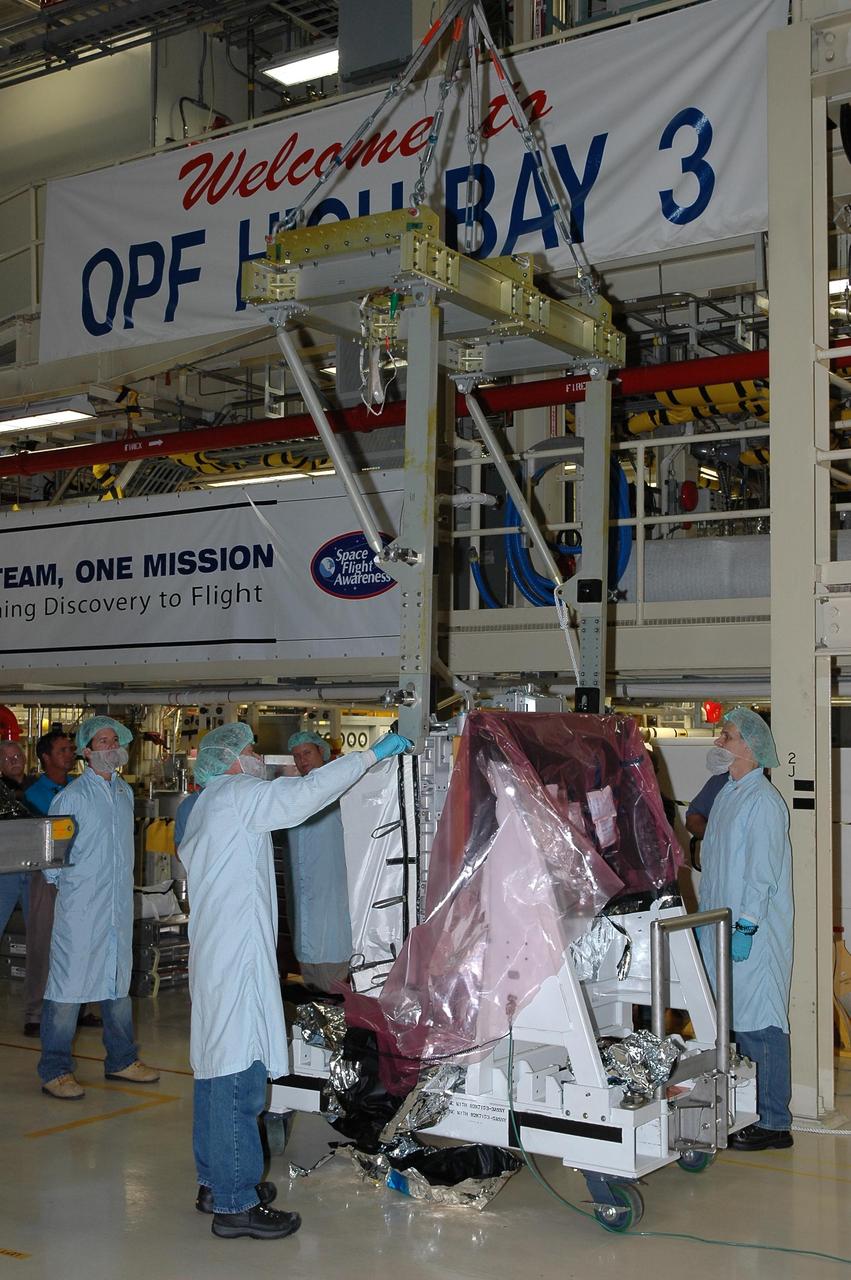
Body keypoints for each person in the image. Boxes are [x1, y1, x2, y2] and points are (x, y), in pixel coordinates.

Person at [179, 721, 411, 1241]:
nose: (257, 758)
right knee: (238, 1080)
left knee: (214, 1075)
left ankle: (216, 1184)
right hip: (235, 961)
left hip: (218, 956)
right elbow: (305, 796)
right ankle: (235, 1205)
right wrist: (370, 755)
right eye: (250, 750)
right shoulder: (237, 794)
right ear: (229, 760)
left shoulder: (207, 804)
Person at [37, 716, 159, 1100]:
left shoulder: (123, 793)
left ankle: (121, 1059)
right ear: (86, 752)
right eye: (102, 741)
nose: (110, 746)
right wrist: (76, 891)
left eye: (114, 740)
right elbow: (51, 856)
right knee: (68, 987)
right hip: (82, 908)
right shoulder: (71, 797)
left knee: (116, 983)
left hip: (116, 908)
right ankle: (55, 1070)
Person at [697, 706, 794, 1151]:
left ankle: (775, 1122)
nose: (719, 742)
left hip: (752, 933)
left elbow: (762, 874)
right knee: (732, 1022)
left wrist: (747, 927)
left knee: (761, 1022)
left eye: (728, 736)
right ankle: (746, 1111)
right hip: (719, 927)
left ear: (751, 748)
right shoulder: (728, 795)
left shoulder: (764, 802)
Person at [21, 730, 94, 1038]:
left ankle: (79, 1007)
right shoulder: (35, 794)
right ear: (46, 757)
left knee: (80, 942)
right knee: (43, 942)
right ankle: (35, 1013)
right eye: (62, 750)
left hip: (79, 873)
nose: (69, 754)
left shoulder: (78, 787)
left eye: (70, 749)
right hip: (47, 876)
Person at [286, 729, 354, 994]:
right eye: (296, 756)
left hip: (333, 905)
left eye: (307, 752)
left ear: (321, 752)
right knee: (312, 987)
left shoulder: (341, 791)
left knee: (334, 991)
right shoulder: (293, 794)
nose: (302, 760)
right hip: (304, 913)